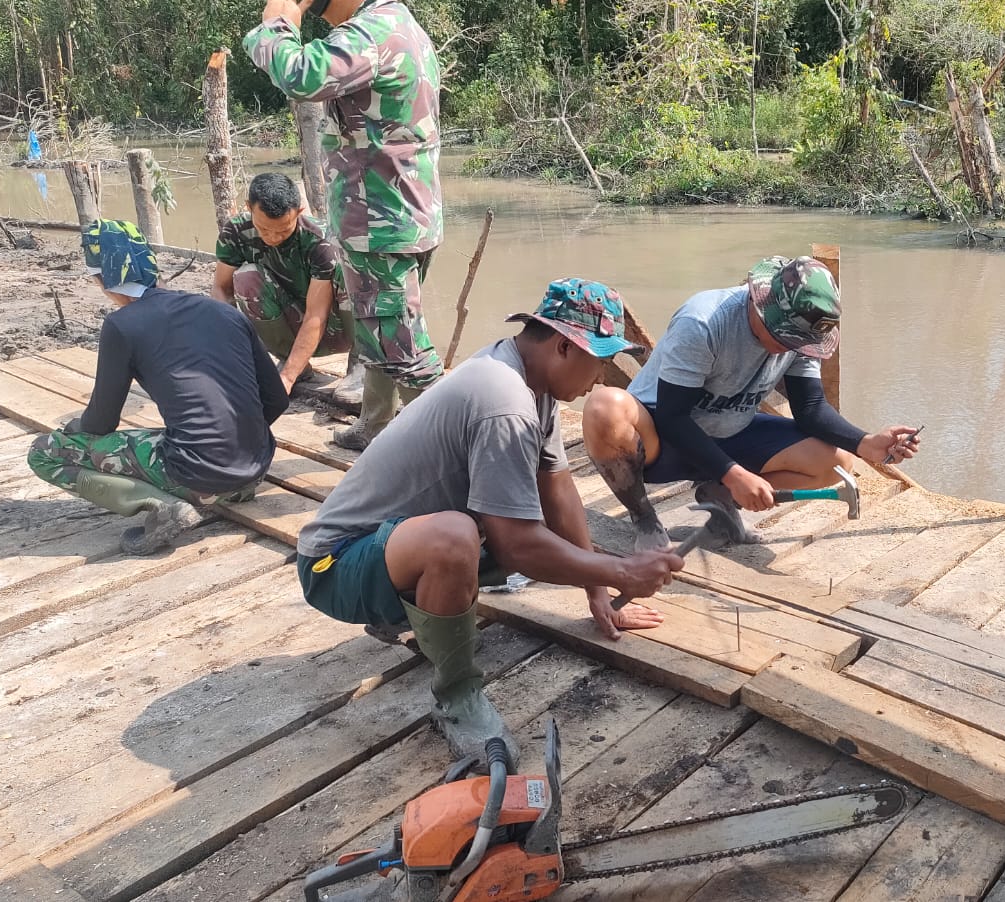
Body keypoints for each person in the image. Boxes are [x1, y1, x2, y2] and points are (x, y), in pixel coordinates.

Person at [295, 279, 684, 767]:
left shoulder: (526, 379)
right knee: (459, 537)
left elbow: (558, 487)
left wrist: (598, 593)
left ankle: (405, 609)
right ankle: (455, 695)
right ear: (563, 345)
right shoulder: (504, 400)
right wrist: (621, 572)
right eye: (598, 360)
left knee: (513, 517)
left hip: (391, 547)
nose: (601, 377)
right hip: (335, 564)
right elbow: (519, 548)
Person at [582, 256, 920, 550]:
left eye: (799, 343)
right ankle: (644, 518)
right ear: (761, 307)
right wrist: (734, 473)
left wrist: (866, 443)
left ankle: (719, 496)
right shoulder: (704, 322)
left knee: (835, 459)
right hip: (661, 439)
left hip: (731, 432)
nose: (790, 347)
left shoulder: (801, 337)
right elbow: (672, 416)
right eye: (785, 338)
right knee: (604, 407)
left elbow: (811, 407)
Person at [245, 0, 448, 451]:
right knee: (380, 325)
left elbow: (300, 74)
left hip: (381, 222)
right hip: (396, 216)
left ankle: (450, 455)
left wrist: (276, 24)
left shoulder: (369, 34)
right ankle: (375, 425)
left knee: (405, 349)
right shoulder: (396, 22)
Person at [28, 220, 289, 554]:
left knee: (44, 451)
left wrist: (72, 428)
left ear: (100, 279)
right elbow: (277, 400)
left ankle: (160, 506)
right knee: (176, 437)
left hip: (200, 479)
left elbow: (100, 423)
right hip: (253, 475)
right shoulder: (223, 312)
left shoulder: (122, 326)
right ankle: (213, 484)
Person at [213, 172, 359, 397]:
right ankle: (290, 359)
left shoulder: (319, 240)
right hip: (288, 327)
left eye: (283, 230)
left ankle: (360, 366)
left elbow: (316, 314)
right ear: (249, 208)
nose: (272, 237)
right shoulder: (236, 232)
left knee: (348, 270)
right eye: (263, 229)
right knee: (246, 277)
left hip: (334, 329)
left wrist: (287, 378)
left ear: (299, 213)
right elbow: (221, 290)